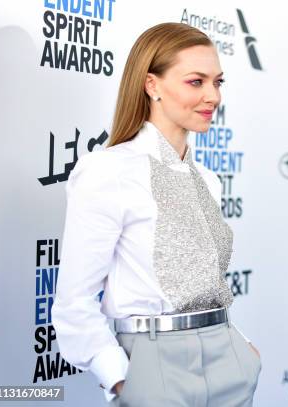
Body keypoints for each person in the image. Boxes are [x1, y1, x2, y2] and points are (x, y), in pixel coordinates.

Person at [51, 22, 261, 406]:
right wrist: (122, 379)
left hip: (228, 358)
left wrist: (243, 347)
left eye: (218, 82)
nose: (212, 96)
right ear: (152, 85)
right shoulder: (108, 171)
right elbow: (73, 302)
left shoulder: (208, 180)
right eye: (196, 82)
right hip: (154, 364)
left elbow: (203, 284)